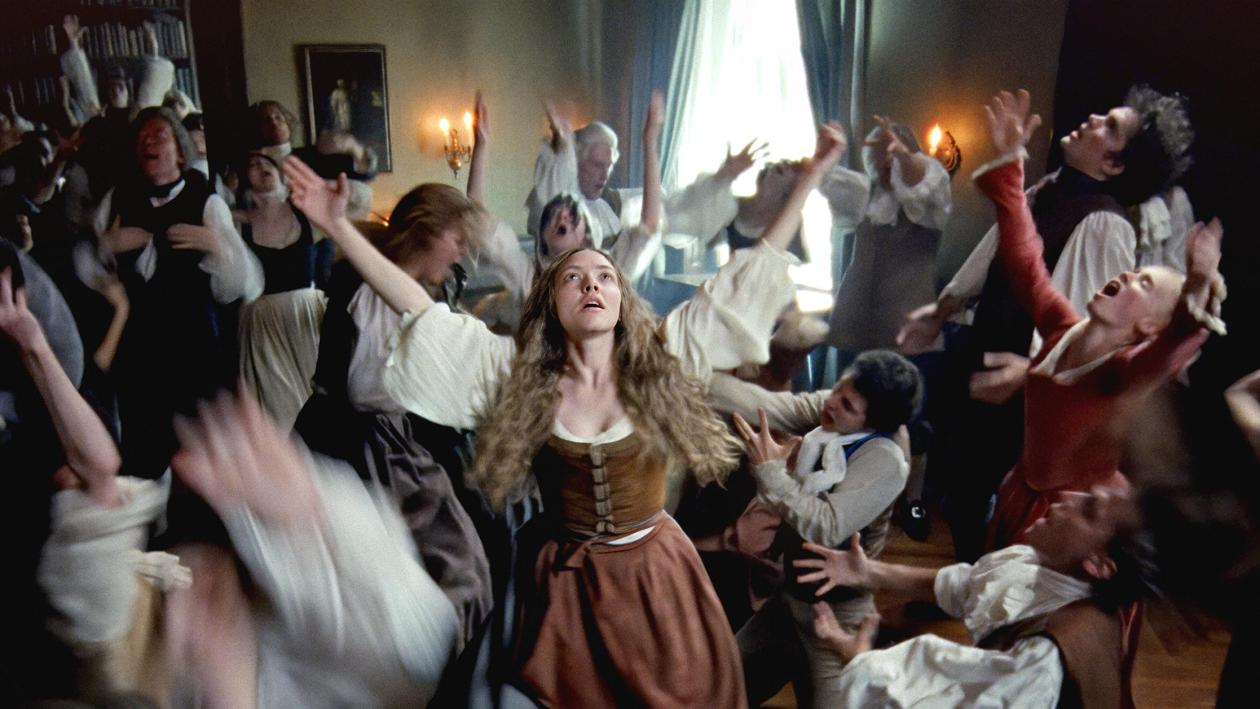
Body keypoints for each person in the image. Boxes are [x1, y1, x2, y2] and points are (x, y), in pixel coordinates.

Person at [283, 115, 848, 706]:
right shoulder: (520, 376)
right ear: (551, 306)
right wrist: (337, 226)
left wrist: (813, 175)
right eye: (573, 278)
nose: (591, 285)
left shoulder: (662, 359)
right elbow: (422, 313)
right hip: (559, 589)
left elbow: (750, 273)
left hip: (654, 581)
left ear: (622, 300)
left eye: (604, 276)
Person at [898, 86, 1196, 561]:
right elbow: (1000, 249)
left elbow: (1093, 331)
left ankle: (979, 582)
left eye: (1110, 127)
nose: (1093, 118)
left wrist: (1034, 372)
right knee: (961, 490)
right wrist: (941, 310)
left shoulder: (1104, 224)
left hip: (1024, 394)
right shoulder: (1049, 189)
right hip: (988, 353)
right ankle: (968, 579)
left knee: (993, 506)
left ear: (1114, 164)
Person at [965, 88, 1224, 548]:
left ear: (1148, 328)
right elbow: (1026, 261)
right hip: (1018, 496)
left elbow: (1173, 345)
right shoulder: (1061, 329)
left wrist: (1199, 286)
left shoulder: (1123, 373)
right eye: (1135, 273)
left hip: (1070, 520)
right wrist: (1009, 161)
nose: (1126, 276)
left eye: (1144, 285)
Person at [291, 174, 493, 646]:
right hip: (355, 440)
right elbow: (364, 388)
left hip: (387, 432)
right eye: (457, 239)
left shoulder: (419, 289)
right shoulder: (368, 293)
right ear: (426, 231)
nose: (462, 251)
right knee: (439, 554)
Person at [801, 488, 1146, 707]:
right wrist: (867, 572)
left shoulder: (1043, 661)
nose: (1067, 495)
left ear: (1098, 565)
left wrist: (861, 661)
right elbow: (965, 587)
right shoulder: (1047, 572)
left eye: (1087, 509)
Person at [728, 350, 921, 707]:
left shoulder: (886, 460)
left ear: (872, 422)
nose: (830, 402)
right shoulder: (831, 430)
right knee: (722, 679)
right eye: (837, 389)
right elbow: (791, 501)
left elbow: (827, 526)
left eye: (846, 404)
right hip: (790, 599)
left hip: (836, 616)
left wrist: (771, 472)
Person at [92, 106, 262, 480]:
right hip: (138, 348)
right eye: (141, 138)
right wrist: (107, 247)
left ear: (181, 153)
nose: (148, 142)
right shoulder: (116, 200)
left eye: (158, 135)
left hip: (193, 345)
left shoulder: (207, 201)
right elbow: (89, 272)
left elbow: (241, 285)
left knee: (202, 452)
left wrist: (217, 246)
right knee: (144, 450)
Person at [524, 100, 747, 252]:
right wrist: (562, 147)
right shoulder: (553, 209)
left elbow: (666, 209)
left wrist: (721, 179)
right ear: (575, 162)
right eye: (597, 165)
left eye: (609, 166)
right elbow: (555, 192)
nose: (604, 175)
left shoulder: (611, 204)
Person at [826, 116, 953, 354]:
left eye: (890, 159)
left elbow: (929, 182)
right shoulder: (867, 196)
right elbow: (827, 183)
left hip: (908, 330)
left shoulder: (928, 206)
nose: (883, 168)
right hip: (857, 330)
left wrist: (904, 157)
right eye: (875, 162)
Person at [236, 150, 331, 430]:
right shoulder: (238, 221)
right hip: (263, 325)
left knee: (317, 396)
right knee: (278, 410)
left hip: (305, 317)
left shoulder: (306, 215)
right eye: (252, 164)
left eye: (267, 162)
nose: (261, 166)